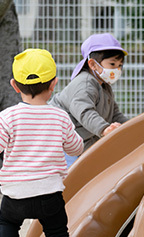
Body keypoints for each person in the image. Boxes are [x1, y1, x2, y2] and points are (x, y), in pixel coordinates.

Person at [0, 49, 84, 237]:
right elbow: (76, 147)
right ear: (54, 84)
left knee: (7, 223)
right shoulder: (60, 117)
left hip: (16, 194)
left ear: (14, 85)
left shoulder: (8, 117)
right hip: (49, 193)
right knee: (58, 232)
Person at [50, 33, 128, 166]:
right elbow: (84, 111)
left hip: (82, 139)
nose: (117, 69)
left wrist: (131, 126)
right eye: (112, 64)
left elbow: (114, 114)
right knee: (70, 177)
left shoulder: (104, 86)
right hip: (62, 140)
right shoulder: (85, 84)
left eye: (120, 65)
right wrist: (104, 129)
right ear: (93, 64)